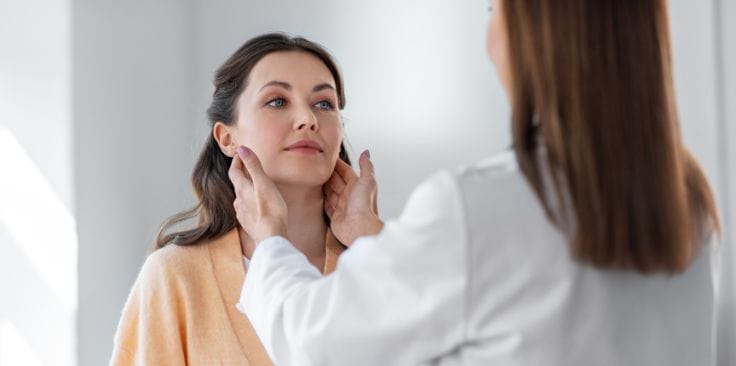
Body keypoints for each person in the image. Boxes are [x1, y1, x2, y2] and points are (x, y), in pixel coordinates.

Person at [230, 1, 722, 365]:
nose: (490, 37)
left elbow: (313, 342)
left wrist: (271, 242)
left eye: (494, 10)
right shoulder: (687, 198)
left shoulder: (478, 207)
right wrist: (372, 237)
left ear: (533, 35)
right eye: (276, 101)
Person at [110, 33, 353, 365]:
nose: (308, 119)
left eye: (324, 104)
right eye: (277, 101)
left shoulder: (376, 269)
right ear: (227, 137)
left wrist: (376, 241)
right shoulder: (175, 276)